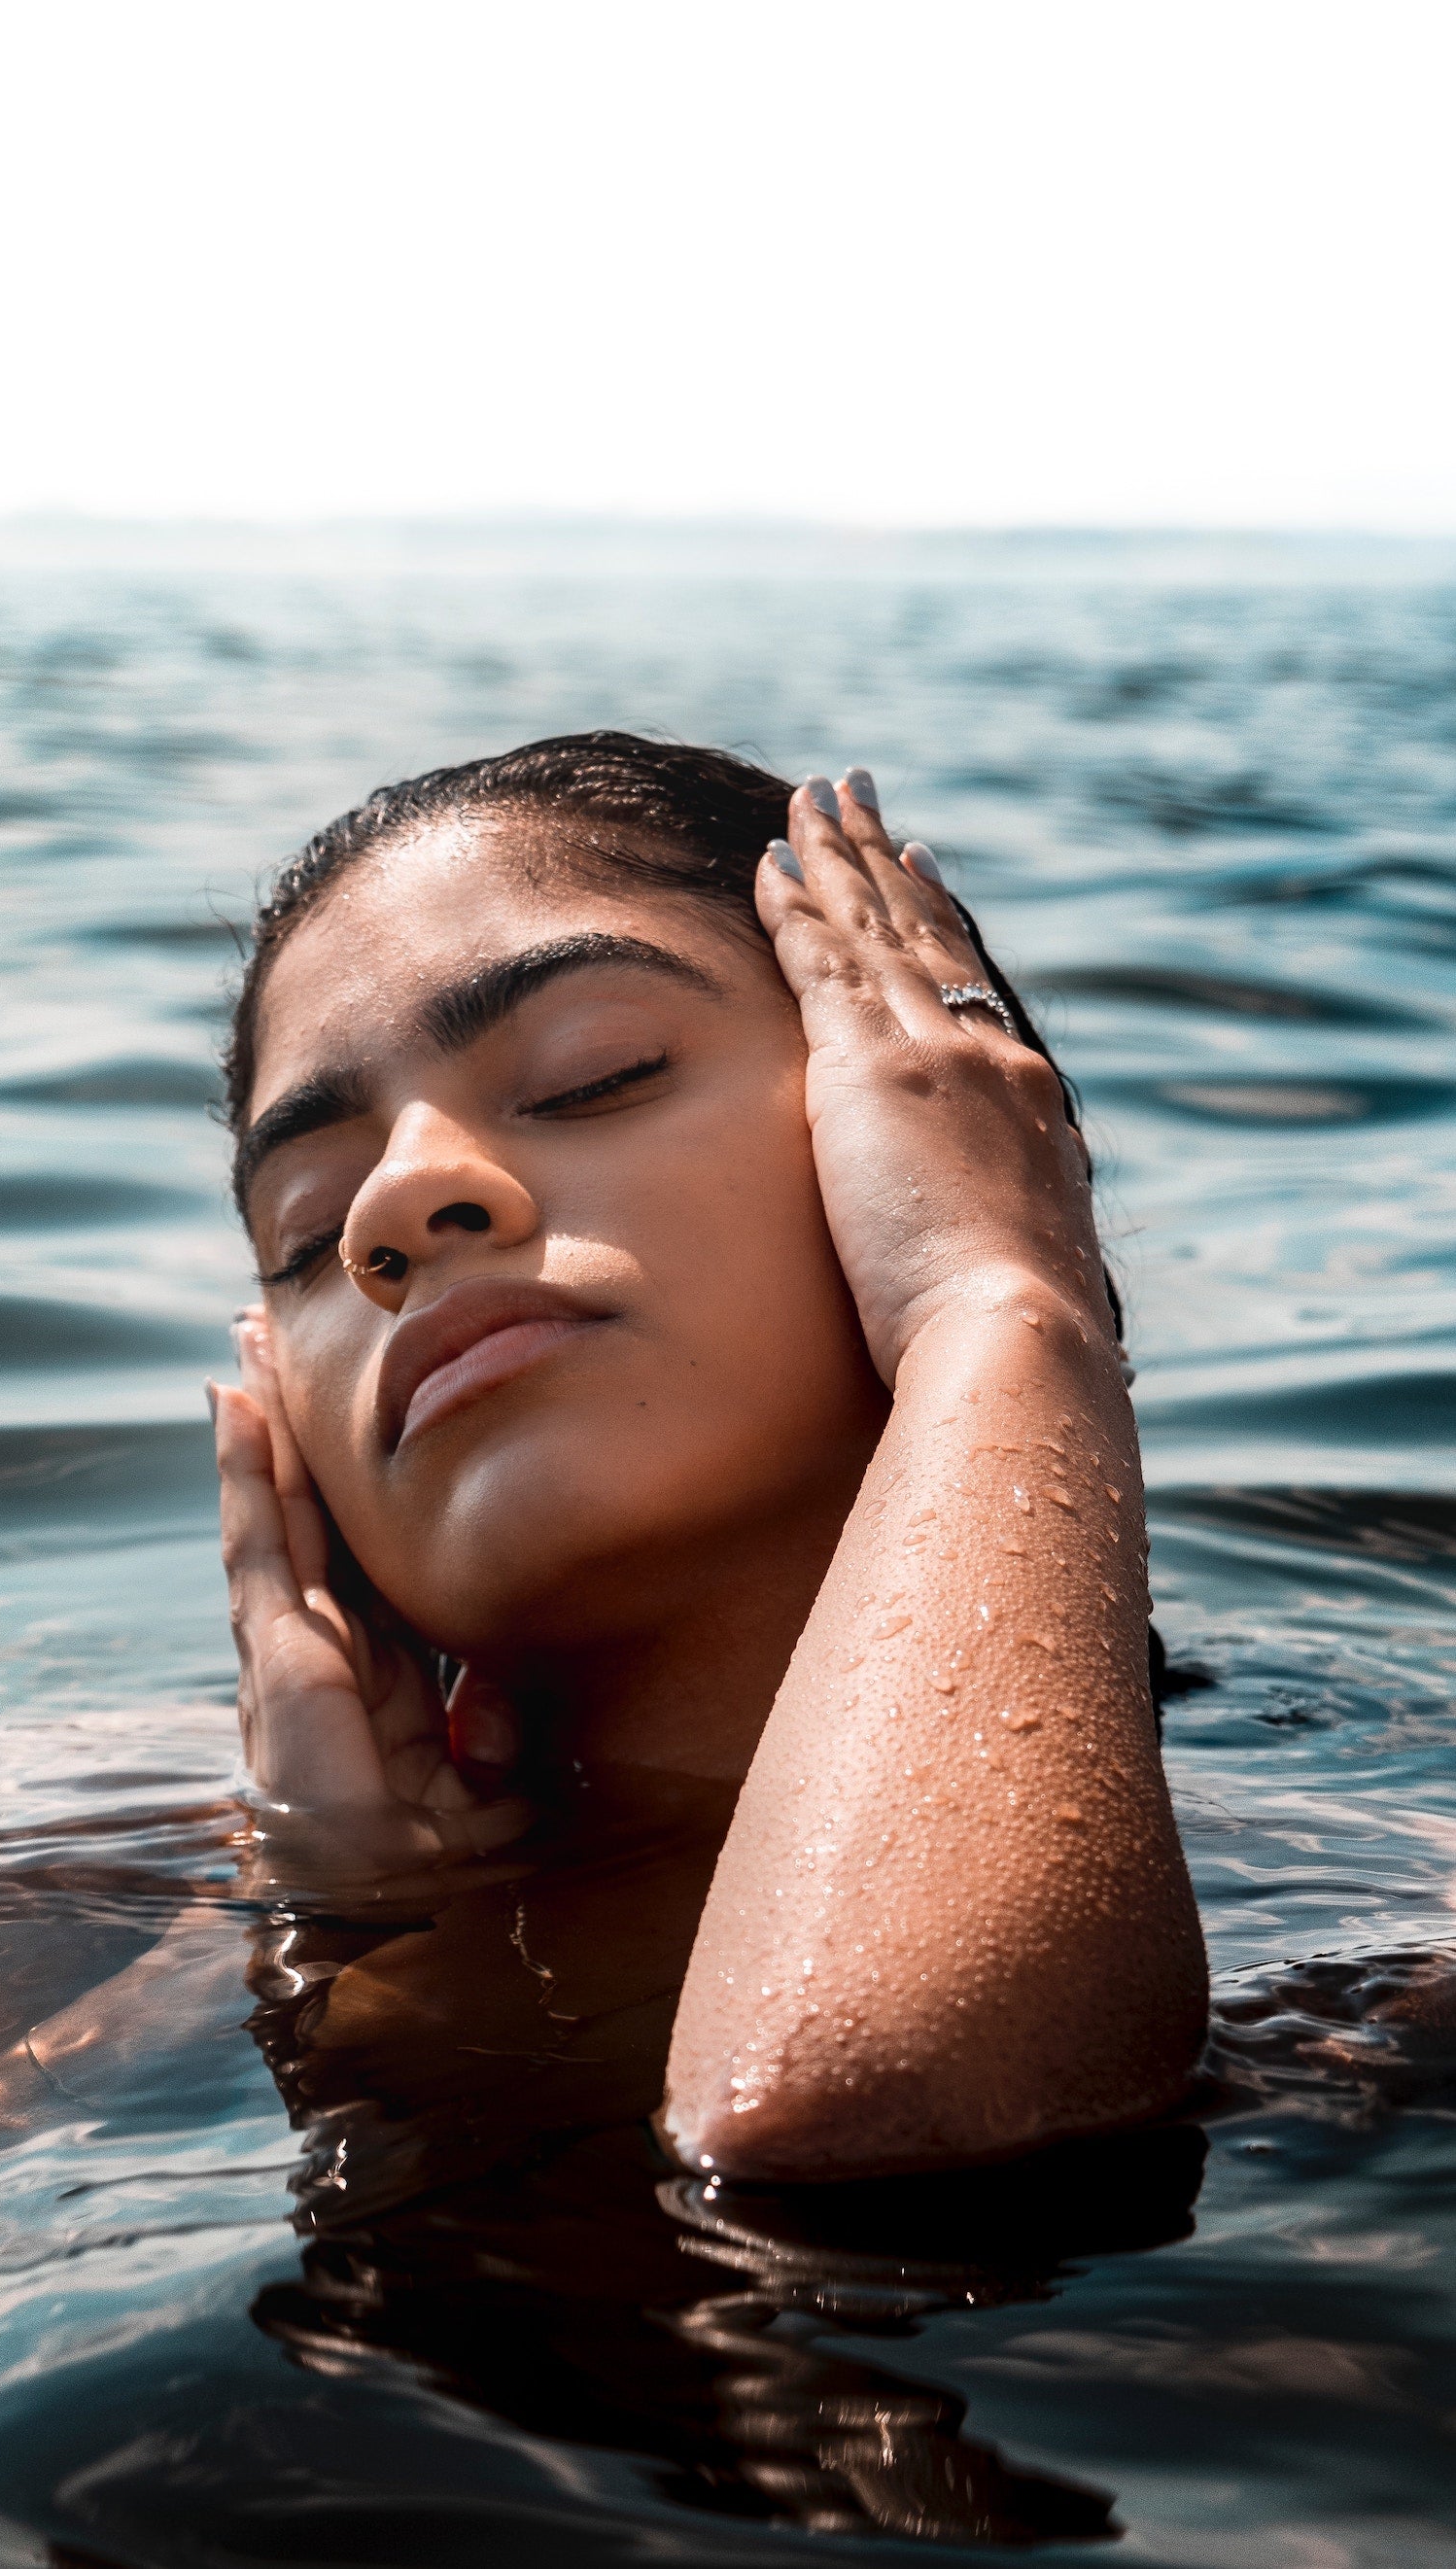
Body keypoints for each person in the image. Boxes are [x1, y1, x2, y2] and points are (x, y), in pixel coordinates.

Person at [211, 730, 1208, 2186]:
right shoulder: (98, 1883)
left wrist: (997, 1307)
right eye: (308, 1230)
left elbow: (839, 2106)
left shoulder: (1375, 1924)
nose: (398, 1206)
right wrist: (331, 1929)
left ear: (961, 1135)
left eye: (590, 1075)